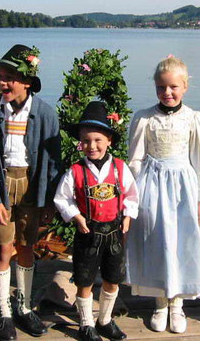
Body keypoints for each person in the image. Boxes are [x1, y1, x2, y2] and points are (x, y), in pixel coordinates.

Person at [0, 44, 61, 341]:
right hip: (1, 185)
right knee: (2, 248)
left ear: (27, 81)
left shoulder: (46, 114)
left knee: (26, 246)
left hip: (31, 188)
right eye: (0, 76)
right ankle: (3, 312)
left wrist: (49, 200)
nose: (3, 82)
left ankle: (23, 307)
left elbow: (52, 161)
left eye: (10, 76)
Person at [125, 56, 200, 334]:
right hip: (152, 185)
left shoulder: (194, 119)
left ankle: (178, 304)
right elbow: (135, 159)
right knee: (156, 241)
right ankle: (160, 302)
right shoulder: (144, 118)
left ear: (185, 87)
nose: (168, 92)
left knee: (181, 243)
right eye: (162, 87)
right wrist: (135, 195)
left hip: (183, 188)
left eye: (174, 87)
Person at [54, 101, 139, 341]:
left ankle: (104, 319)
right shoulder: (75, 171)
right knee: (85, 278)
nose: (92, 146)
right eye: (86, 141)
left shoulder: (120, 169)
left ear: (109, 140)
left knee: (113, 278)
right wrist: (77, 216)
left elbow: (132, 195)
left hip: (113, 232)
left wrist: (128, 216)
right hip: (87, 233)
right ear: (80, 143)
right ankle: (85, 323)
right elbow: (62, 199)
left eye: (97, 140)